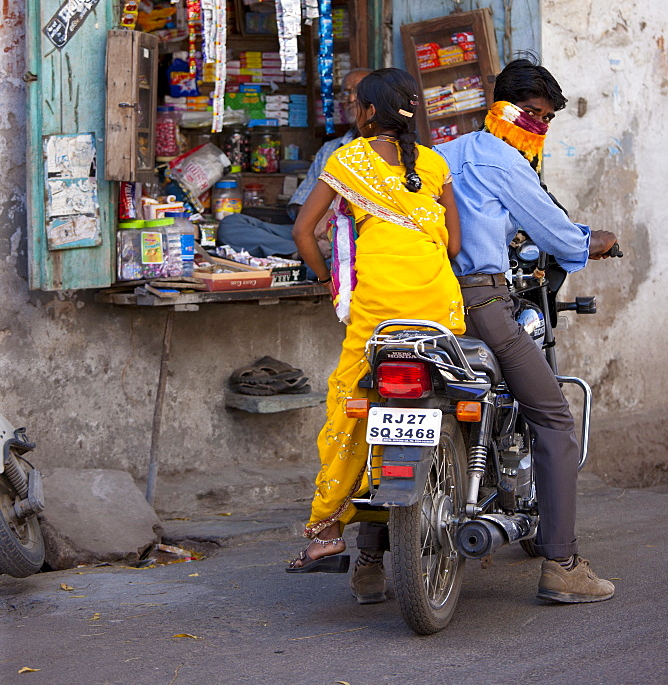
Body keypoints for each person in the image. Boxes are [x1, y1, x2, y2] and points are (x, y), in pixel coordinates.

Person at [435, 57, 617, 604]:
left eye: (545, 117)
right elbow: (560, 237)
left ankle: (371, 559)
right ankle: (562, 564)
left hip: (425, 302)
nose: (537, 125)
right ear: (502, 108)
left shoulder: (444, 153)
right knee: (555, 419)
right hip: (482, 303)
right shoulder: (507, 164)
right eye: (532, 113)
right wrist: (598, 240)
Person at [287, 67, 465, 605]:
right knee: (457, 398)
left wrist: (326, 279)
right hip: (438, 309)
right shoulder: (435, 164)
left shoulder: (346, 161)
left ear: (368, 113)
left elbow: (304, 232)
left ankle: (326, 531)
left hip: (378, 316)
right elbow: (454, 246)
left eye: (356, 104)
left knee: (349, 408)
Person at [217, 69, 370, 258]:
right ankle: (300, 254)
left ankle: (305, 259)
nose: (351, 98)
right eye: (346, 93)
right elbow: (300, 203)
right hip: (309, 234)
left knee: (350, 256)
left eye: (359, 90)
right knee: (231, 226)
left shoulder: (390, 151)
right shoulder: (330, 149)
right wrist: (311, 225)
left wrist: (334, 217)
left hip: (351, 240)